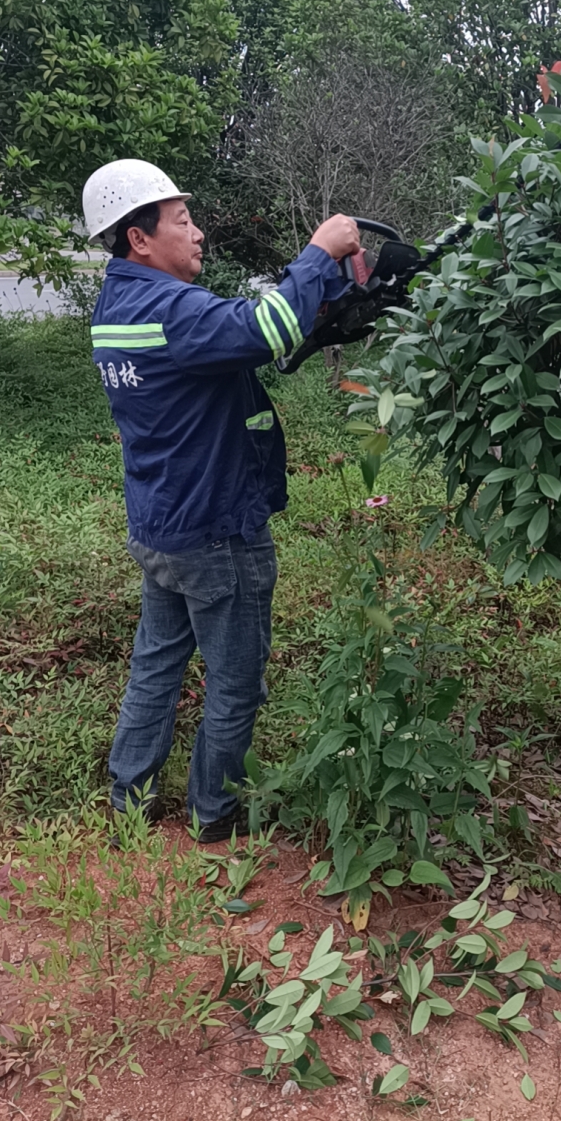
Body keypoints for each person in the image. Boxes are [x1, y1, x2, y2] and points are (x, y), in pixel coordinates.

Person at [82, 158, 360, 842]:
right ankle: (215, 817)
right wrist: (321, 252)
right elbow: (258, 332)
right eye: (183, 220)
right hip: (215, 532)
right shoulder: (172, 311)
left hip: (161, 524)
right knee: (236, 685)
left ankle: (130, 803)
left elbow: (231, 340)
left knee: (156, 664)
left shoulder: (119, 306)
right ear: (139, 239)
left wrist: (311, 311)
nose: (199, 232)